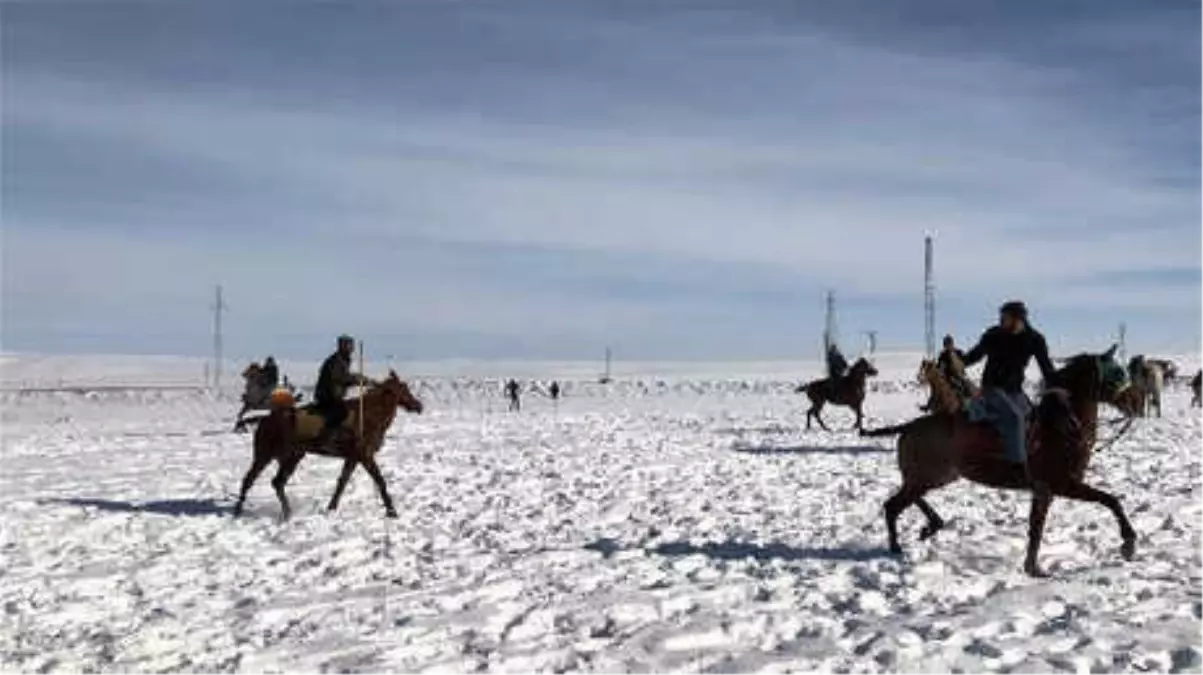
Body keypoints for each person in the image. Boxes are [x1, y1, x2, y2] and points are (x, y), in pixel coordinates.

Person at [962, 301, 1057, 474]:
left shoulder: (1035, 339)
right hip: (992, 388)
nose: (1001, 321)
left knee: (1034, 418)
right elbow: (974, 356)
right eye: (1001, 318)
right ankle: (1017, 467)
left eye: (1005, 318)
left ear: (1018, 319)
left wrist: (1058, 385)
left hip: (1015, 391)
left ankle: (1027, 454)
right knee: (1015, 418)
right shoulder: (993, 335)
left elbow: (1047, 367)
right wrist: (956, 361)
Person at [313, 335, 371, 444]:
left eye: (351, 346)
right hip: (326, 395)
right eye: (348, 345)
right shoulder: (335, 361)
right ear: (342, 346)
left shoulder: (343, 360)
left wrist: (359, 378)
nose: (351, 348)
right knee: (341, 412)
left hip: (335, 395)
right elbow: (339, 377)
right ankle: (327, 434)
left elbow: (345, 376)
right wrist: (356, 379)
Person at [937, 335, 974, 399]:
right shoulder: (943, 355)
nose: (948, 346)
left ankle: (968, 401)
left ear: (952, 344)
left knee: (966, 386)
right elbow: (939, 366)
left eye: (949, 344)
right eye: (946, 345)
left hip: (958, 375)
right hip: (947, 376)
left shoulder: (958, 352)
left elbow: (964, 363)